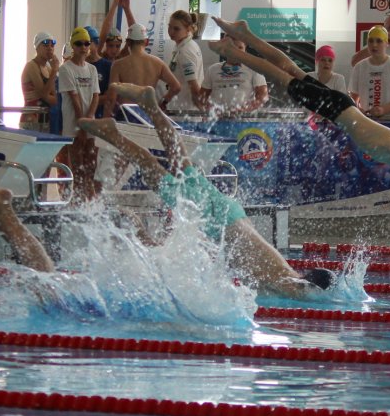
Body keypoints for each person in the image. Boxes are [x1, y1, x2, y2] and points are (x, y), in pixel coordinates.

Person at [210, 17, 390, 226]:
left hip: (341, 106)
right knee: (282, 77)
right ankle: (234, 51)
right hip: (337, 110)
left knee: (290, 68)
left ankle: (246, 35)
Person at [80, 83, 336, 299]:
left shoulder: (282, 272)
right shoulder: (292, 283)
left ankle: (150, 109)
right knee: (158, 173)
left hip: (229, 215)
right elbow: (303, 290)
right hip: (219, 221)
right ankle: (115, 133)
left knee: (181, 163)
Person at [105, 22, 182, 113]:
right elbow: (176, 87)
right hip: (148, 115)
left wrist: (105, 121)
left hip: (127, 114)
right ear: (147, 42)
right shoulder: (158, 63)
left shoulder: (118, 65)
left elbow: (111, 98)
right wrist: (163, 102)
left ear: (128, 42)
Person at [348, 26, 390, 119]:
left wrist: (384, 110)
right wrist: (359, 110)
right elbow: (353, 98)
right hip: (367, 120)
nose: (374, 45)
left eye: (379, 41)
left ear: (386, 43)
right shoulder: (359, 67)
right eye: (371, 41)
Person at [201, 34, 268, 114]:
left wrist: (243, 111)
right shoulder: (212, 69)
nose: (236, 51)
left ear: (245, 49)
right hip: (217, 122)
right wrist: (212, 110)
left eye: (240, 47)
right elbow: (202, 97)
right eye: (232, 47)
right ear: (225, 49)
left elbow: (263, 97)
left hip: (243, 122)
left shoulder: (254, 69)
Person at [163, 9, 204, 111]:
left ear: (188, 29)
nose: (171, 32)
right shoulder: (183, 45)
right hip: (181, 110)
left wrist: (203, 112)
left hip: (185, 113)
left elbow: (194, 88)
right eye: (169, 27)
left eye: (176, 29)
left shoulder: (185, 51)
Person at [20, 32, 60, 131]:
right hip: (31, 119)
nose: (50, 48)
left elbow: (55, 99)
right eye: (46, 45)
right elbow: (43, 94)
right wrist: (55, 70)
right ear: (37, 48)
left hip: (45, 118)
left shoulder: (48, 68)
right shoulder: (31, 66)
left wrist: (46, 96)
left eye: (52, 46)